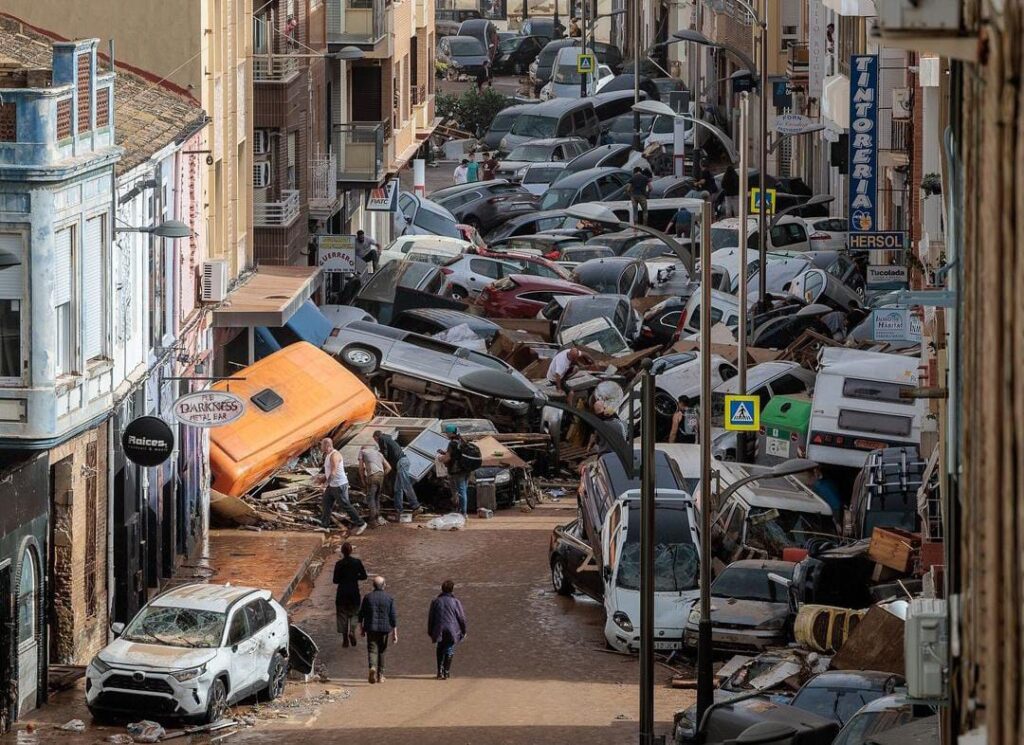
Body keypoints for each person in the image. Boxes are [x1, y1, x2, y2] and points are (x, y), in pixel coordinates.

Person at [318, 438, 367, 534]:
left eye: (322, 445)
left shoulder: (334, 455)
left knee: (345, 505)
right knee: (326, 503)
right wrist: (322, 479)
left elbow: (333, 472)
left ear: (327, 446)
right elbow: (329, 472)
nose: (320, 447)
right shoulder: (327, 455)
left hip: (339, 485)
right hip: (332, 485)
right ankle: (325, 526)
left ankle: (361, 523)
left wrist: (325, 485)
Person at [373, 430, 424, 515]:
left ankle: (416, 506)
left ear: (376, 437)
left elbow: (384, 453)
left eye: (375, 440)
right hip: (402, 462)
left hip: (401, 462)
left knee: (406, 484)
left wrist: (381, 462)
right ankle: (399, 510)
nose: (376, 442)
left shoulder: (382, 438)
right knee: (398, 488)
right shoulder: (389, 439)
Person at [358, 576, 398, 684]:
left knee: (372, 650)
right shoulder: (389, 598)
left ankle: (372, 667)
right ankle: (380, 676)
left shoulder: (368, 597)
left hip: (371, 628)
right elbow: (393, 617)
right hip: (385, 629)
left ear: (373, 585)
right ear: (384, 585)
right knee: (382, 652)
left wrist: (361, 629)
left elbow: (361, 615)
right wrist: (395, 633)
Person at [428, 580, 468, 680]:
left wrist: (430, 631)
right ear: (452, 590)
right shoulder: (456, 602)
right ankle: (446, 671)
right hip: (452, 629)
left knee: (440, 647)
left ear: (442, 589)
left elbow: (431, 617)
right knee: (449, 647)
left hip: (439, 628)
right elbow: (461, 618)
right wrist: (464, 630)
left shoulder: (436, 601)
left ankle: (439, 671)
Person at [333, 542, 368, 648]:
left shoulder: (339, 564)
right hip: (354, 592)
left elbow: (335, 580)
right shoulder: (357, 562)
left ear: (342, 552)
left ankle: (345, 639)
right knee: (354, 613)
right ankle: (352, 631)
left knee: (342, 615)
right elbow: (364, 576)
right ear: (351, 551)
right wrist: (355, 577)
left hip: (342, 593)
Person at [437, 424, 470, 515]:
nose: (446, 434)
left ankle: (463, 513)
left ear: (451, 433)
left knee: (460, 491)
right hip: (466, 470)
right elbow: (457, 454)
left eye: (447, 433)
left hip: (457, 471)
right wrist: (444, 452)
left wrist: (440, 458)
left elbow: (447, 458)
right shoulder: (462, 441)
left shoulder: (452, 443)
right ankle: (461, 511)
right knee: (463, 491)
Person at [359, 444, 391, 527]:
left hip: (372, 476)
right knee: (377, 497)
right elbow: (389, 468)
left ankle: (372, 521)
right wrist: (381, 475)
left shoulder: (362, 451)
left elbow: (361, 468)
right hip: (381, 476)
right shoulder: (379, 453)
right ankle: (377, 518)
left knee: (371, 498)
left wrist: (363, 480)